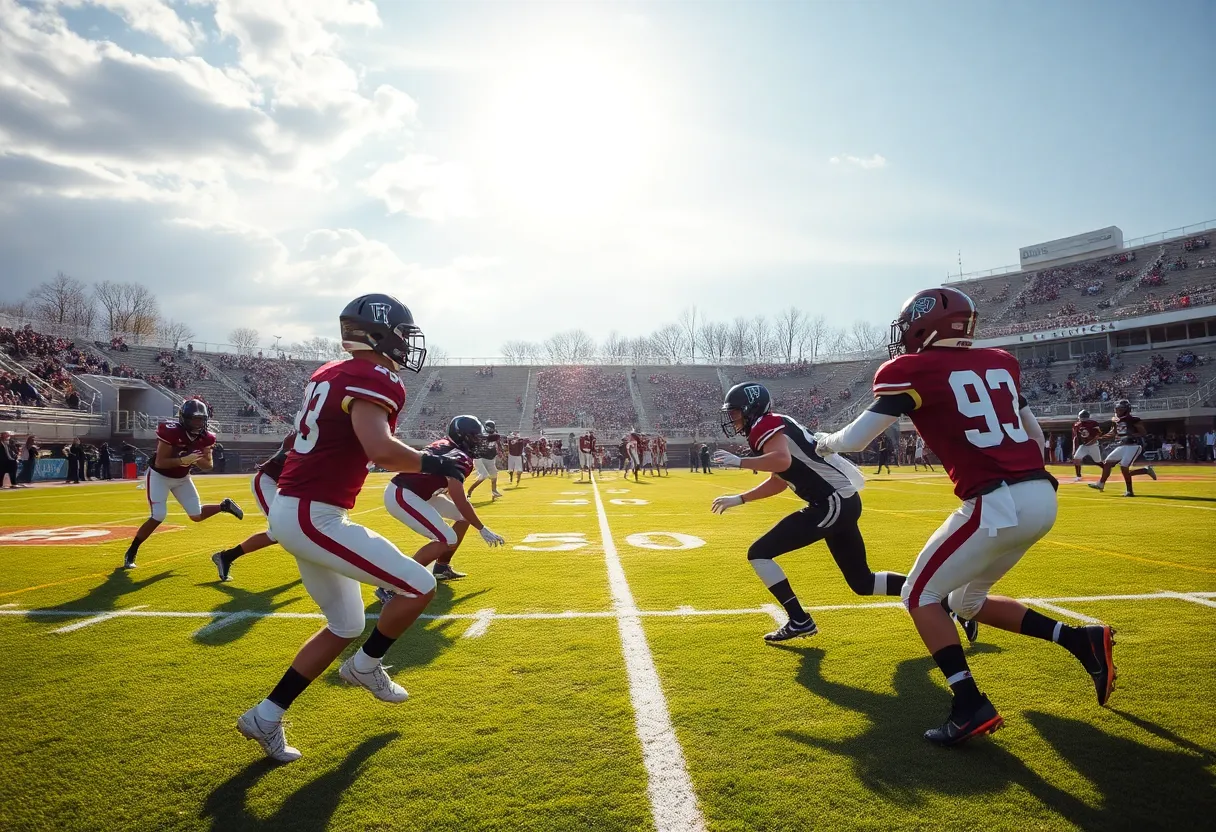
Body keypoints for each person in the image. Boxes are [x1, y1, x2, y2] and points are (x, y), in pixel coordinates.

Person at [817, 287, 1116, 747]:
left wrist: (828, 442)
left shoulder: (910, 369)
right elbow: (1035, 437)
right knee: (965, 604)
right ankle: (1082, 642)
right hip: (1040, 495)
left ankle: (969, 703)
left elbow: (857, 439)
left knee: (919, 594)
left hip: (998, 501)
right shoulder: (1001, 362)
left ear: (924, 324)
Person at [237, 293, 466, 764]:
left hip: (300, 508)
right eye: (402, 334)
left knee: (345, 623)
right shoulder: (373, 375)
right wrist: (432, 459)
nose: (406, 345)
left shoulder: (331, 371)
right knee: (420, 585)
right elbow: (380, 449)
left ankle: (266, 714)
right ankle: (366, 665)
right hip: (312, 513)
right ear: (380, 333)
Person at [711, 383, 905, 642]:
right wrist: (740, 498)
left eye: (735, 412)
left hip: (832, 502)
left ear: (750, 409)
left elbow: (782, 461)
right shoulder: (775, 423)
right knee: (863, 583)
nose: (732, 418)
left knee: (759, 554)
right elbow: (780, 479)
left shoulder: (765, 426)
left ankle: (799, 620)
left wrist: (741, 462)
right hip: (839, 502)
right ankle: (942, 598)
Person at [379, 415, 505, 588]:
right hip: (404, 493)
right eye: (476, 438)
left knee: (463, 518)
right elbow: (460, 498)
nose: (479, 442)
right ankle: (394, 585)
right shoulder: (459, 457)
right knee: (446, 539)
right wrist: (482, 528)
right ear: (464, 437)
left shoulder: (448, 446)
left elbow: (451, 490)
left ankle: (441, 567)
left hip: (423, 492)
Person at [122, 399, 244, 569]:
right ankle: (132, 551)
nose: (198, 423)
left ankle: (224, 506)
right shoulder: (171, 432)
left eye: (201, 419)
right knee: (158, 515)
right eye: (194, 419)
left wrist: (196, 459)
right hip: (160, 476)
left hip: (182, 478)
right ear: (184, 418)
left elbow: (208, 465)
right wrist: (183, 459)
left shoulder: (206, 437)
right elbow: (160, 463)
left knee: (196, 515)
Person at [210, 431, 296, 582]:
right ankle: (315, 568)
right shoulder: (304, 436)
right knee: (282, 530)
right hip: (268, 482)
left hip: (286, 487)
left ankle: (226, 556)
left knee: (283, 531)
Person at [1088, 400, 1157, 496]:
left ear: (1126, 409)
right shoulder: (1116, 420)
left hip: (1133, 445)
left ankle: (1129, 491)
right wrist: (1099, 438)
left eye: (1120, 409)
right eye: (1117, 409)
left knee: (1124, 468)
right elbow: (1113, 432)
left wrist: (1131, 435)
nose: (1118, 411)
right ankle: (1101, 484)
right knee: (1107, 463)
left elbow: (1143, 433)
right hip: (1122, 445)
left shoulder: (1134, 420)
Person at [466, 419, 504, 500]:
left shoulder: (493, 434)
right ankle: (469, 491)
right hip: (480, 458)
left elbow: (497, 440)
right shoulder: (481, 434)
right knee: (484, 476)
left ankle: (494, 491)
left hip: (490, 458)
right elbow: (486, 438)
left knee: (494, 474)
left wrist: (500, 451)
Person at [1070, 409, 1103, 482]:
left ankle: (1106, 470)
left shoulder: (1094, 423)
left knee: (1098, 461)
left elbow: (1098, 434)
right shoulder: (1077, 425)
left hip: (1093, 445)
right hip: (1084, 445)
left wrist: (1093, 441)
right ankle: (1078, 476)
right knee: (1076, 459)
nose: (1083, 419)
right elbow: (1075, 438)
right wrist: (1074, 449)